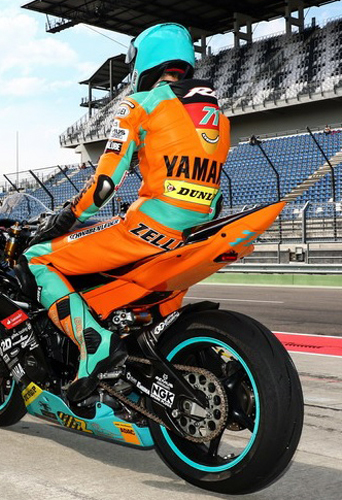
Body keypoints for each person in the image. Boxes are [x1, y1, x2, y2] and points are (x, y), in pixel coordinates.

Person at [23, 23, 230, 404]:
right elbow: (214, 189)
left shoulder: (140, 104)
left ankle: (94, 345)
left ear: (145, 61)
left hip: (149, 226)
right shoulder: (216, 115)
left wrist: (67, 216)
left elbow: (105, 183)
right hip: (198, 230)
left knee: (39, 258)